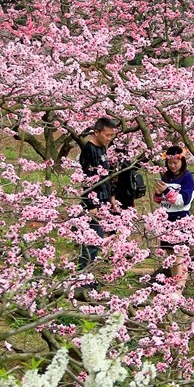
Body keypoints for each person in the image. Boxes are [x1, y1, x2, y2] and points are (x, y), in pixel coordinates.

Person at [77, 117, 118, 272]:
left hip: (104, 200)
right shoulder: (89, 150)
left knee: (97, 240)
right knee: (91, 241)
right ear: (96, 132)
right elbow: (86, 179)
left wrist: (111, 196)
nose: (109, 138)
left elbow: (105, 175)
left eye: (111, 135)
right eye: (107, 135)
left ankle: (88, 275)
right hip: (93, 203)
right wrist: (90, 205)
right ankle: (82, 276)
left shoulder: (102, 148)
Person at [153, 145, 194, 288]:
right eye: (170, 163)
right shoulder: (165, 176)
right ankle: (174, 284)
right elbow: (159, 200)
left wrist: (166, 190)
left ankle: (180, 288)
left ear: (182, 161)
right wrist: (159, 192)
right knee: (170, 255)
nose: (172, 166)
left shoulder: (187, 177)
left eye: (175, 163)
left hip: (181, 218)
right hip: (166, 218)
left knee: (180, 255)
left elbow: (183, 201)